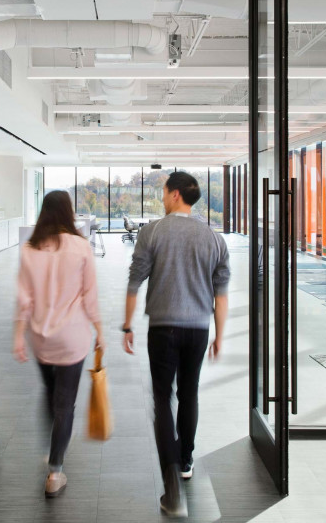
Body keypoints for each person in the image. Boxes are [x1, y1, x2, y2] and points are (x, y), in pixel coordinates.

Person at [123, 171, 230, 518]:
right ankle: (185, 460)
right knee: (189, 393)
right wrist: (220, 334)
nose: (161, 196)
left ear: (174, 195)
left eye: (164, 190)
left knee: (162, 399)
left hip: (162, 329)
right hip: (198, 329)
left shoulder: (151, 231)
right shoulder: (213, 238)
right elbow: (221, 294)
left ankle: (171, 483)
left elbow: (135, 281)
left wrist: (127, 325)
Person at [13, 190, 104, 498]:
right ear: (68, 212)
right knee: (65, 402)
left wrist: (17, 337)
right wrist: (100, 329)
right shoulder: (81, 246)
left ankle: (53, 447)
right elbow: (89, 295)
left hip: (40, 336)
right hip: (73, 336)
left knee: (51, 393)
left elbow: (23, 298)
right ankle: (55, 470)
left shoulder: (29, 248)